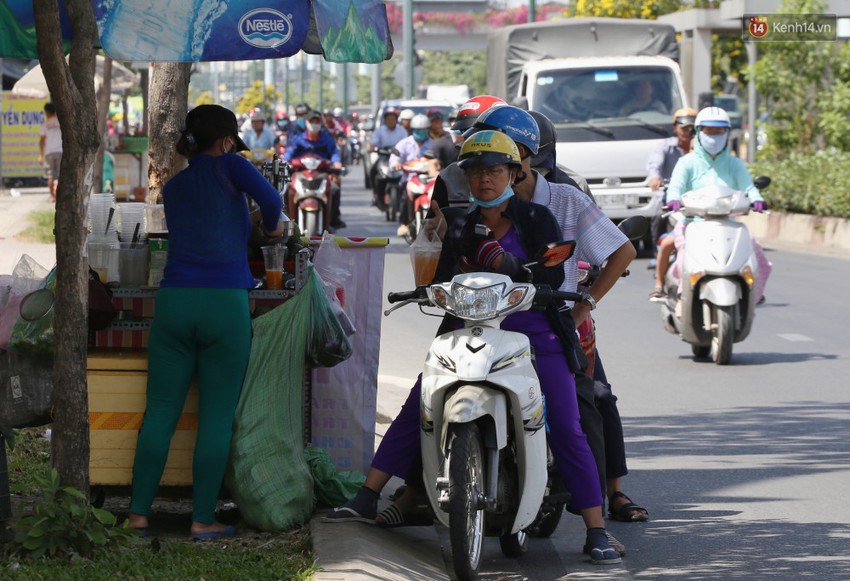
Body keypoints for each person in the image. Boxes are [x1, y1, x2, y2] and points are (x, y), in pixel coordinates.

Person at [325, 131, 621, 565]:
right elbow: (441, 276)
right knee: (421, 399)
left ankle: (596, 529)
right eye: (477, 171)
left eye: (494, 170)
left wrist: (517, 270)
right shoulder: (461, 223)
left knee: (564, 418)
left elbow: (554, 277)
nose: (484, 180)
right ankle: (368, 494)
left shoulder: (538, 218)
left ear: (513, 173)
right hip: (468, 326)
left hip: (534, 328)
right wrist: (429, 290)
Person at [126, 104, 286, 539]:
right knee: (215, 417)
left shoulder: (174, 187)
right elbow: (273, 200)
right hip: (223, 305)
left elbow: (207, 224)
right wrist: (272, 231)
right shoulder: (232, 166)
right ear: (227, 141)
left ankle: (138, 514)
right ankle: (202, 520)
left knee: (159, 413)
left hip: (175, 302)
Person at [663, 106, 771, 303]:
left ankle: (754, 296)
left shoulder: (734, 164)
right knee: (684, 255)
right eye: (708, 131)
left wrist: (756, 199)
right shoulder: (687, 162)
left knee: (756, 253)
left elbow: (748, 187)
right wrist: (673, 198)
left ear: (727, 133)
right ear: (698, 132)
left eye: (719, 131)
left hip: (728, 223)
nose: (714, 136)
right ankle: (682, 295)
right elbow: (676, 186)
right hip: (692, 223)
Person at [647, 108, 696, 300]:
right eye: (684, 127)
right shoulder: (665, 147)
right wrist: (655, 178)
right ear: (675, 128)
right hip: (673, 202)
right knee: (660, 220)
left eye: (692, 128)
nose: (687, 132)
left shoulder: (701, 150)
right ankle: (657, 260)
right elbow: (654, 166)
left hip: (699, 204)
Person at [283, 110, 345, 230]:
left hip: (322, 173)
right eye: (312, 121)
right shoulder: (297, 139)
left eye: (317, 121)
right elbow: (288, 153)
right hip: (300, 173)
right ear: (306, 123)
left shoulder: (327, 139)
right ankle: (286, 220)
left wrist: (336, 163)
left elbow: (334, 152)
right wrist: (286, 161)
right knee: (286, 189)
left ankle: (333, 218)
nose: (314, 124)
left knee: (335, 187)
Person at [389, 114, 435, 237]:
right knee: (405, 193)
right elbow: (395, 157)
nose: (420, 133)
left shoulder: (433, 144)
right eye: (417, 130)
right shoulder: (404, 144)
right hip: (410, 179)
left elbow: (439, 160)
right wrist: (396, 164)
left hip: (430, 179)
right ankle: (404, 223)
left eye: (423, 130)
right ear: (412, 130)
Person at [369, 107, 408, 209]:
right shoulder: (380, 130)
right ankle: (376, 196)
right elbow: (373, 143)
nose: (390, 121)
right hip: (383, 157)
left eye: (393, 118)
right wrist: (372, 148)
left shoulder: (402, 131)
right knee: (373, 171)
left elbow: (406, 144)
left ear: (396, 119)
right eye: (388, 118)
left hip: (398, 157)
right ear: (385, 120)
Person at [39, 102, 62, 203]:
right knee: (61, 174)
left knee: (51, 175)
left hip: (49, 153)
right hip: (60, 152)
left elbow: (42, 141)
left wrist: (40, 155)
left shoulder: (45, 125)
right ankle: (61, 195)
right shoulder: (61, 123)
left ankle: (52, 196)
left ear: (46, 112)